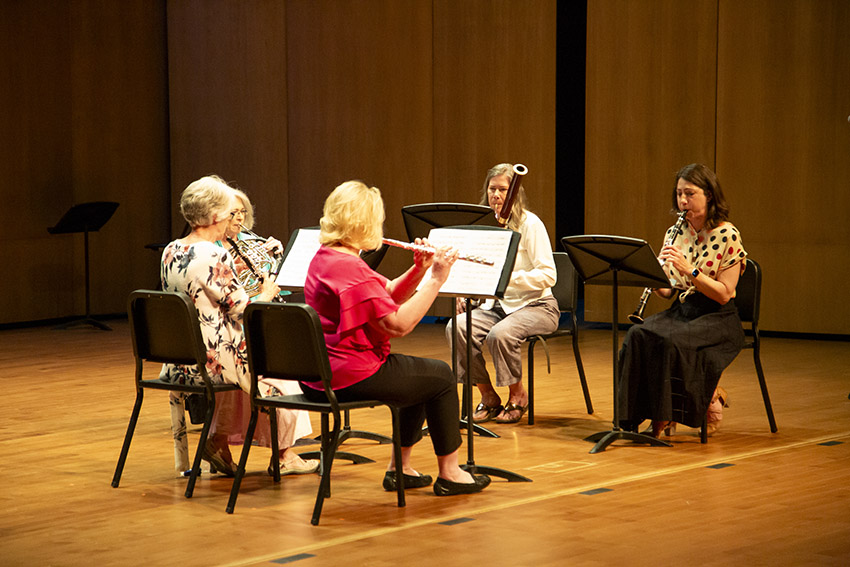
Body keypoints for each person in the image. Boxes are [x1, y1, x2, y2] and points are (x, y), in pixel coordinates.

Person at [302, 180, 490, 496]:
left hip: (321, 374)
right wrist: (436, 279)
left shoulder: (328, 257)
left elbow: (387, 293)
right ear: (363, 223)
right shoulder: (348, 267)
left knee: (418, 375)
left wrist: (419, 269)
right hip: (348, 375)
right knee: (441, 376)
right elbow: (398, 325)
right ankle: (451, 473)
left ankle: (400, 470)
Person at [160, 175, 318, 477]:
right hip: (212, 361)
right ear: (217, 214)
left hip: (182, 358)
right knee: (280, 366)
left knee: (246, 355)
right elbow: (242, 309)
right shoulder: (213, 253)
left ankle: (217, 441)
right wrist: (268, 293)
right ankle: (284, 455)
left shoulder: (171, 249)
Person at [618, 163, 746, 438]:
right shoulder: (676, 232)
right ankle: (630, 418)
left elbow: (724, 293)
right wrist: (650, 276)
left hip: (718, 316)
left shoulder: (728, 234)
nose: (682, 201)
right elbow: (668, 291)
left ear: (709, 195)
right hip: (685, 310)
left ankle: (665, 416)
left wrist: (690, 269)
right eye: (679, 194)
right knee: (638, 334)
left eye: (689, 193)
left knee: (669, 341)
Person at [446, 163, 560, 424]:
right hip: (496, 308)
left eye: (503, 190)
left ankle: (519, 396)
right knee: (457, 328)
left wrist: (509, 280)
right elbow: (474, 267)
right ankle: (488, 396)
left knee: (500, 335)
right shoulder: (485, 225)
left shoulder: (530, 224)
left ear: (514, 194)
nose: (496, 195)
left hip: (537, 305)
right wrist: (465, 294)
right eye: (492, 189)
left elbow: (548, 275)